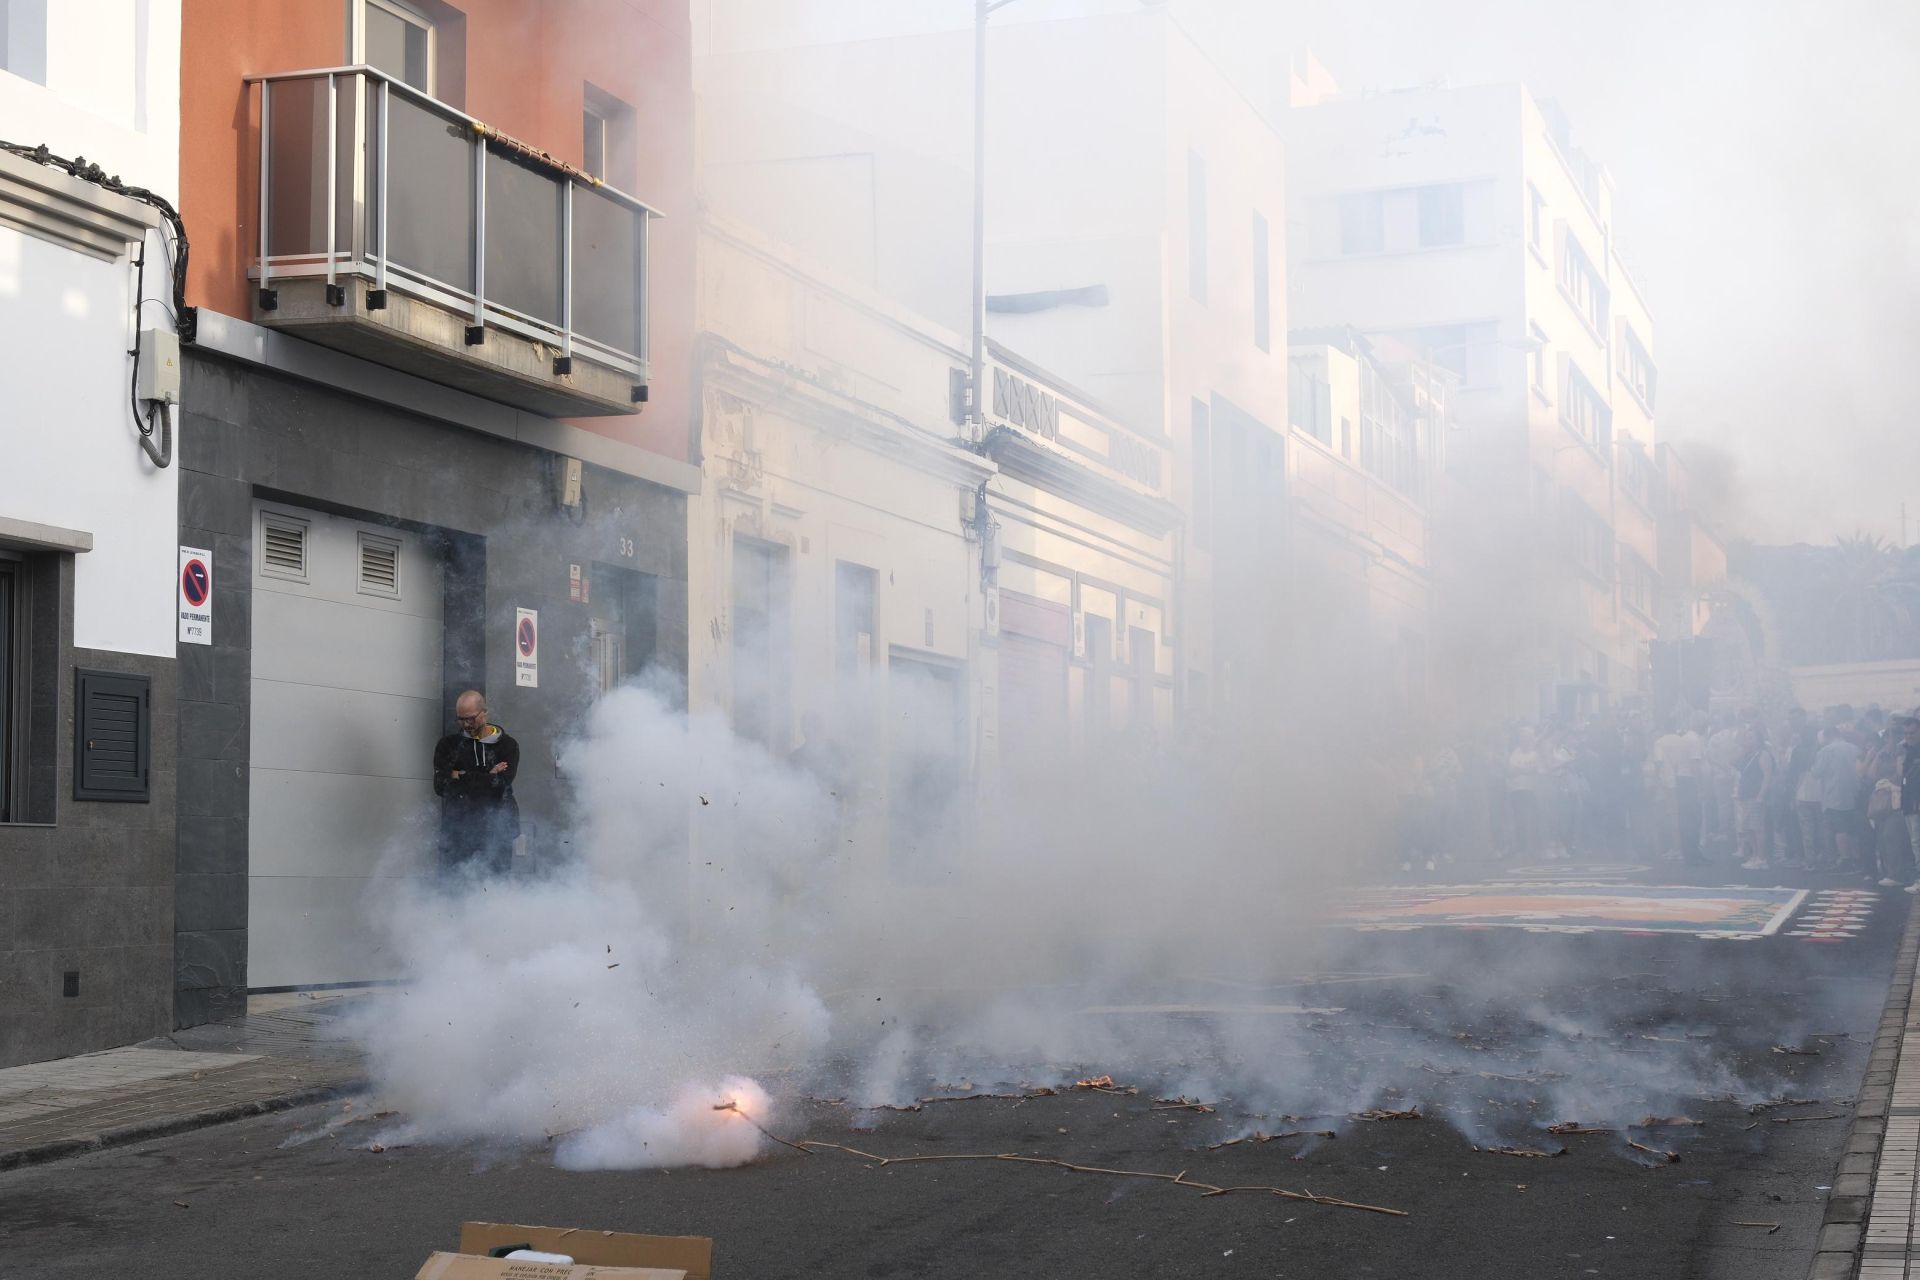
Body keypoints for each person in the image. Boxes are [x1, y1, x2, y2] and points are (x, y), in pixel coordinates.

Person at [432, 689, 522, 876]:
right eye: (461, 719)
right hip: (459, 831)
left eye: (471, 718)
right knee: (455, 887)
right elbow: (441, 785)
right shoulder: (447, 745)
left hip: (498, 830)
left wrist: (459, 775)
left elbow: (502, 784)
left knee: (496, 886)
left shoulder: (508, 745)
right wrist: (488, 774)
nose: (466, 724)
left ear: (485, 712)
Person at [1808, 726, 1865, 879]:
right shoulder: (1855, 749)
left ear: (1827, 736)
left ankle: (1845, 860)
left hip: (1834, 794)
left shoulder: (1826, 751)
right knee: (1852, 829)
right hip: (1855, 792)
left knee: (1840, 829)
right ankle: (1857, 858)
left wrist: (1812, 765)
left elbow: (1816, 772)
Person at [1654, 718, 1706, 864]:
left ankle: (1676, 849)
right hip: (1682, 780)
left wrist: (1655, 780)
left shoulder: (1659, 742)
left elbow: (1659, 763)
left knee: (1674, 816)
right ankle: (1684, 848)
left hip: (1668, 781)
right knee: (1686, 816)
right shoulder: (1682, 740)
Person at [1734, 725, 1776, 871]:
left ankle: (1761, 858)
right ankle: (1754, 856)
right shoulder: (1747, 755)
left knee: (1757, 828)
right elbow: (1734, 765)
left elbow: (1767, 776)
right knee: (1747, 828)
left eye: (1751, 737)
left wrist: (1761, 795)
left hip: (1755, 796)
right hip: (1745, 796)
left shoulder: (1763, 754)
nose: (1747, 740)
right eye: (1746, 737)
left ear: (1759, 739)